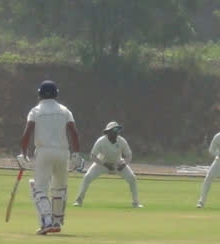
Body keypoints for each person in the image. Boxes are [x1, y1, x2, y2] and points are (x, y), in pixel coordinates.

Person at [20, 80, 81, 235]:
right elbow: (74, 133)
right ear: (56, 94)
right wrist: (76, 154)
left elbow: (27, 133)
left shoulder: (35, 110)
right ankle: (55, 223)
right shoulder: (65, 110)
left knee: (39, 188)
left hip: (44, 152)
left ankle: (46, 221)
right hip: (63, 152)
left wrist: (23, 153)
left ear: (40, 94)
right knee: (59, 189)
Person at [74, 121, 142, 208]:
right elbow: (93, 156)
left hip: (118, 163)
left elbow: (129, 155)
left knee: (132, 178)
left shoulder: (121, 141)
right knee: (87, 177)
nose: (116, 132)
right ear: (108, 132)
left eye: (117, 130)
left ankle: (136, 203)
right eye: (114, 130)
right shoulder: (101, 141)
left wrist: (124, 164)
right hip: (102, 164)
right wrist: (104, 164)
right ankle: (79, 200)